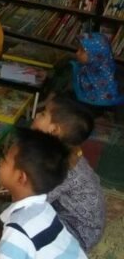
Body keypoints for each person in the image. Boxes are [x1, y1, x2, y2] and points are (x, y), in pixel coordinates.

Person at [0, 128, 87, 259]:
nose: (0, 163)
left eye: (5, 160)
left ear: (21, 178)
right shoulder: (44, 209)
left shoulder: (18, 232)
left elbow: (16, 238)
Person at [31, 94, 105, 252]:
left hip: (78, 234)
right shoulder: (67, 153)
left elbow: (33, 202)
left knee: (23, 221)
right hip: (78, 221)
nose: (37, 114)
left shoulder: (63, 168)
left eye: (43, 114)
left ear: (54, 130)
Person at [71, 32, 124, 108]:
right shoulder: (83, 69)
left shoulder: (108, 77)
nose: (77, 53)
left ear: (95, 54)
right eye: (78, 49)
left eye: (82, 51)